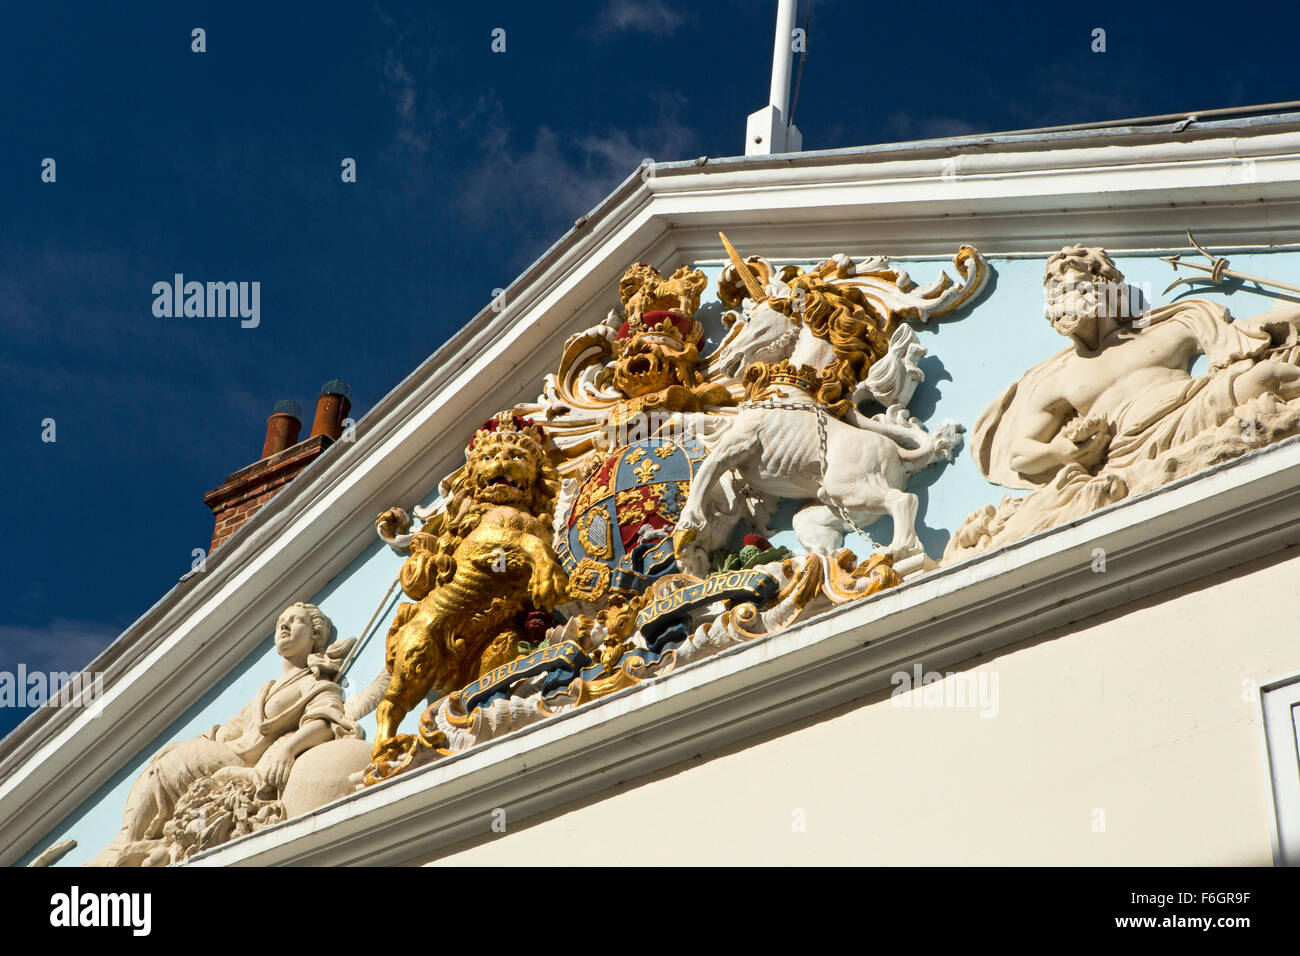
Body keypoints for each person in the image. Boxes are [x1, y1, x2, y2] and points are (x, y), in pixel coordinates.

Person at [87, 601, 358, 866]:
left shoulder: (311, 681)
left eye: (296, 620)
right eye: (280, 622)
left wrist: (288, 750)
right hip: (219, 754)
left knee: (161, 778)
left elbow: (325, 719)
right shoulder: (267, 689)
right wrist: (190, 744)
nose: (285, 625)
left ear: (316, 635)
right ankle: (126, 848)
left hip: (236, 765)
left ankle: (130, 849)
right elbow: (230, 730)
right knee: (158, 771)